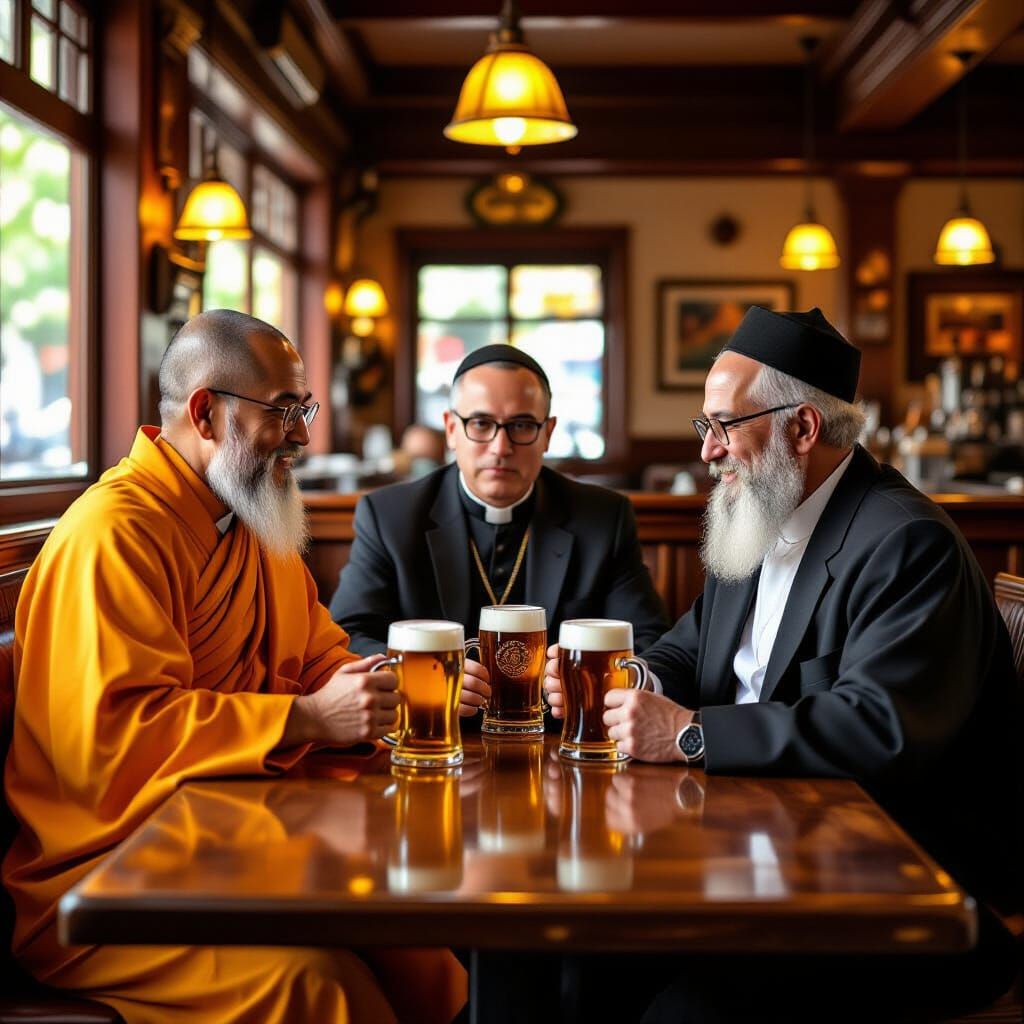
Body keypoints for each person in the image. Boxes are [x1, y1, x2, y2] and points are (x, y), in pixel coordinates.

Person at [544, 306, 1020, 1021]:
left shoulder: (906, 542)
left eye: (724, 425)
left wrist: (688, 735)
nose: (707, 450)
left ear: (802, 428)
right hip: (762, 852)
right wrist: (627, 682)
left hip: (903, 892)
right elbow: (692, 645)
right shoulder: (760, 508)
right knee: (572, 965)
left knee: (682, 1012)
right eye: (704, 425)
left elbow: (878, 728)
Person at [2, 310, 465, 1024]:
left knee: (419, 950)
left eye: (303, 409)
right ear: (205, 413)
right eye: (283, 411)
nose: (303, 435)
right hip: (112, 871)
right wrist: (307, 719)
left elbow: (316, 657)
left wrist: (386, 690)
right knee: (317, 986)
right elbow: (118, 737)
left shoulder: (250, 516)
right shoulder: (112, 535)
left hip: (236, 835)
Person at [330, 344, 670, 723]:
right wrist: (413, 676)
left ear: (548, 433)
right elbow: (348, 634)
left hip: (555, 735)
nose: (501, 447)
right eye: (480, 423)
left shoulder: (603, 518)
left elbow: (648, 638)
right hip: (434, 731)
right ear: (451, 429)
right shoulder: (390, 516)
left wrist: (596, 677)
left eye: (522, 425)